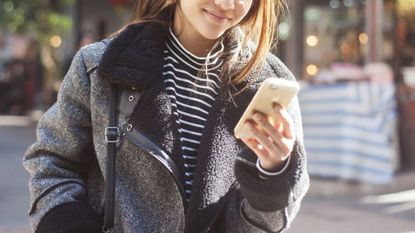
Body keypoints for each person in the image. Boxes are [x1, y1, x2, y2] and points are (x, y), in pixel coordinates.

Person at [23, 0, 309, 232]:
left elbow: (261, 226)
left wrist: (273, 172)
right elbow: (52, 163)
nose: (225, 3)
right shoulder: (99, 68)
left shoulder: (268, 83)